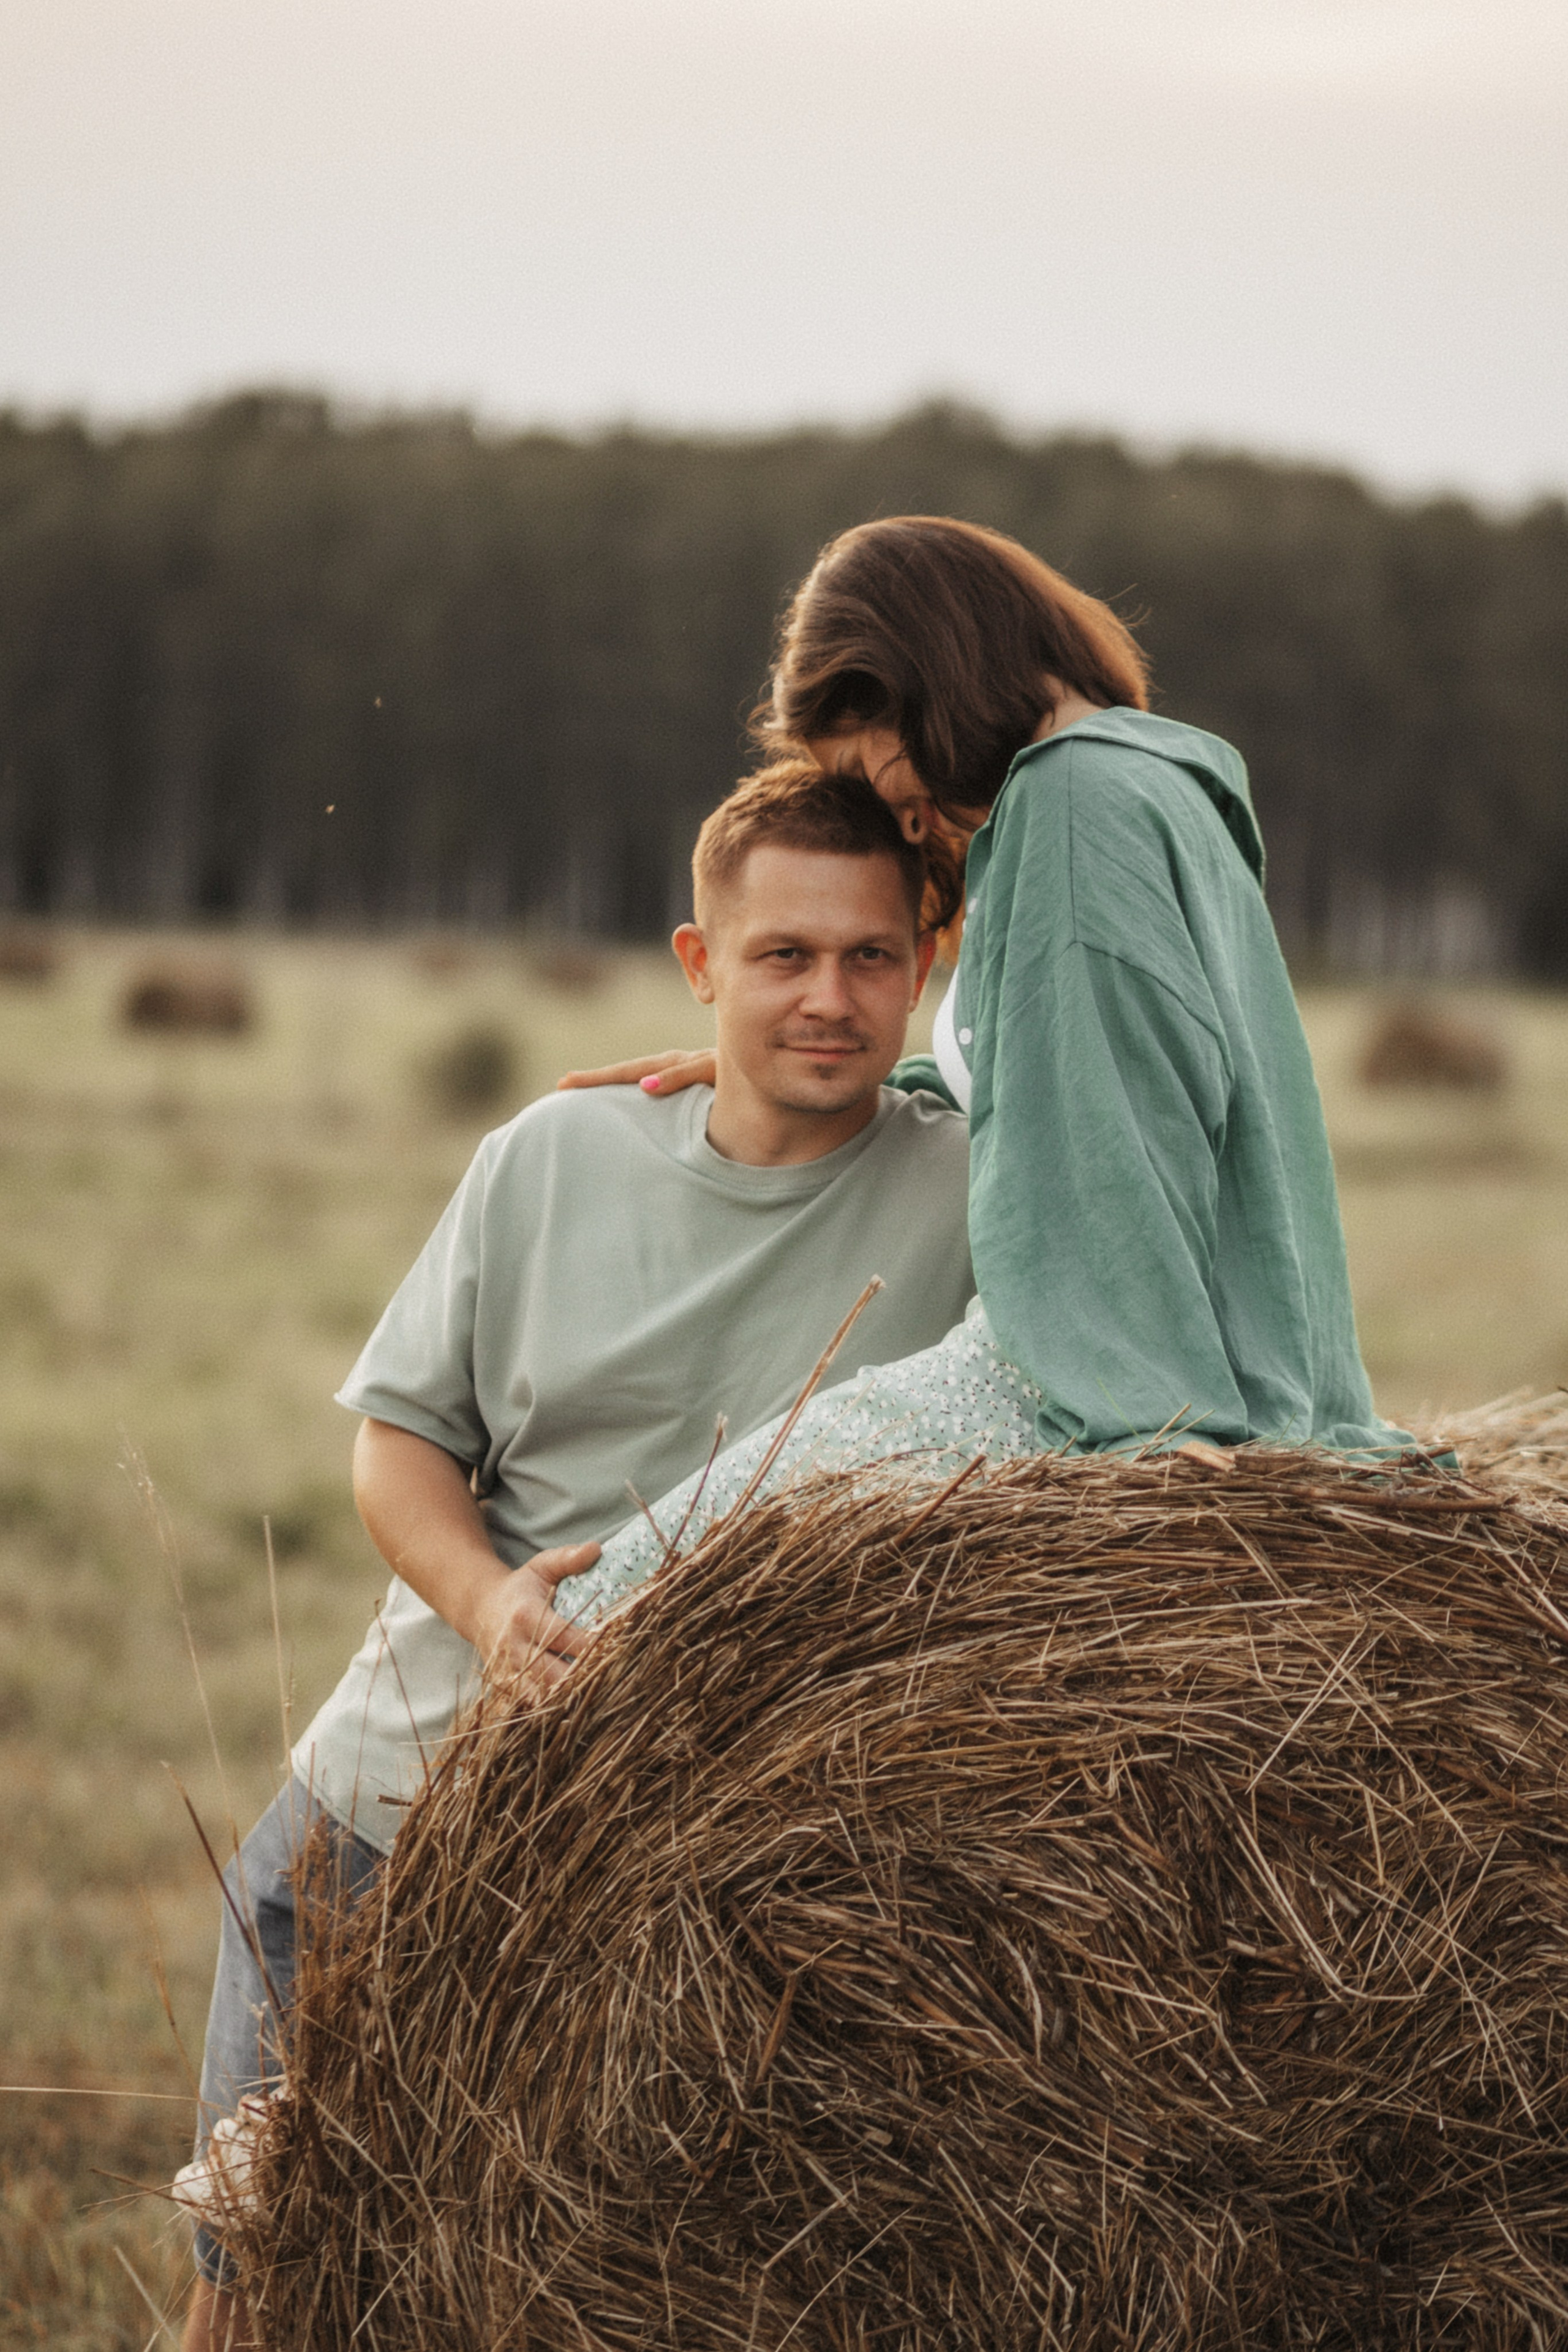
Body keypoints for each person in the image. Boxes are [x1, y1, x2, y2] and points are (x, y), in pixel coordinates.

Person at [176, 760, 976, 2351]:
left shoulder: (971, 1188)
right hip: (393, 1814)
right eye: (782, 956)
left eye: (870, 957)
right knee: (259, 2292)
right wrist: (488, 1605)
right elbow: (400, 1444)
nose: (829, 998)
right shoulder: (551, 1158)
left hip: (710, 1877)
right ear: (699, 963)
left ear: (926, 966)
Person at [572, 514, 1406, 1597]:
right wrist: (781, 1071)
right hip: (1212, 1370)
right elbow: (1083, 1071)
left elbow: (1121, 1125)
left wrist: (1148, 1427)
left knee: (635, 1591)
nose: (902, 824)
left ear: (918, 678)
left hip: (1079, 1386)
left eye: (868, 769)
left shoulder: (1071, 805)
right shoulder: (1149, 783)